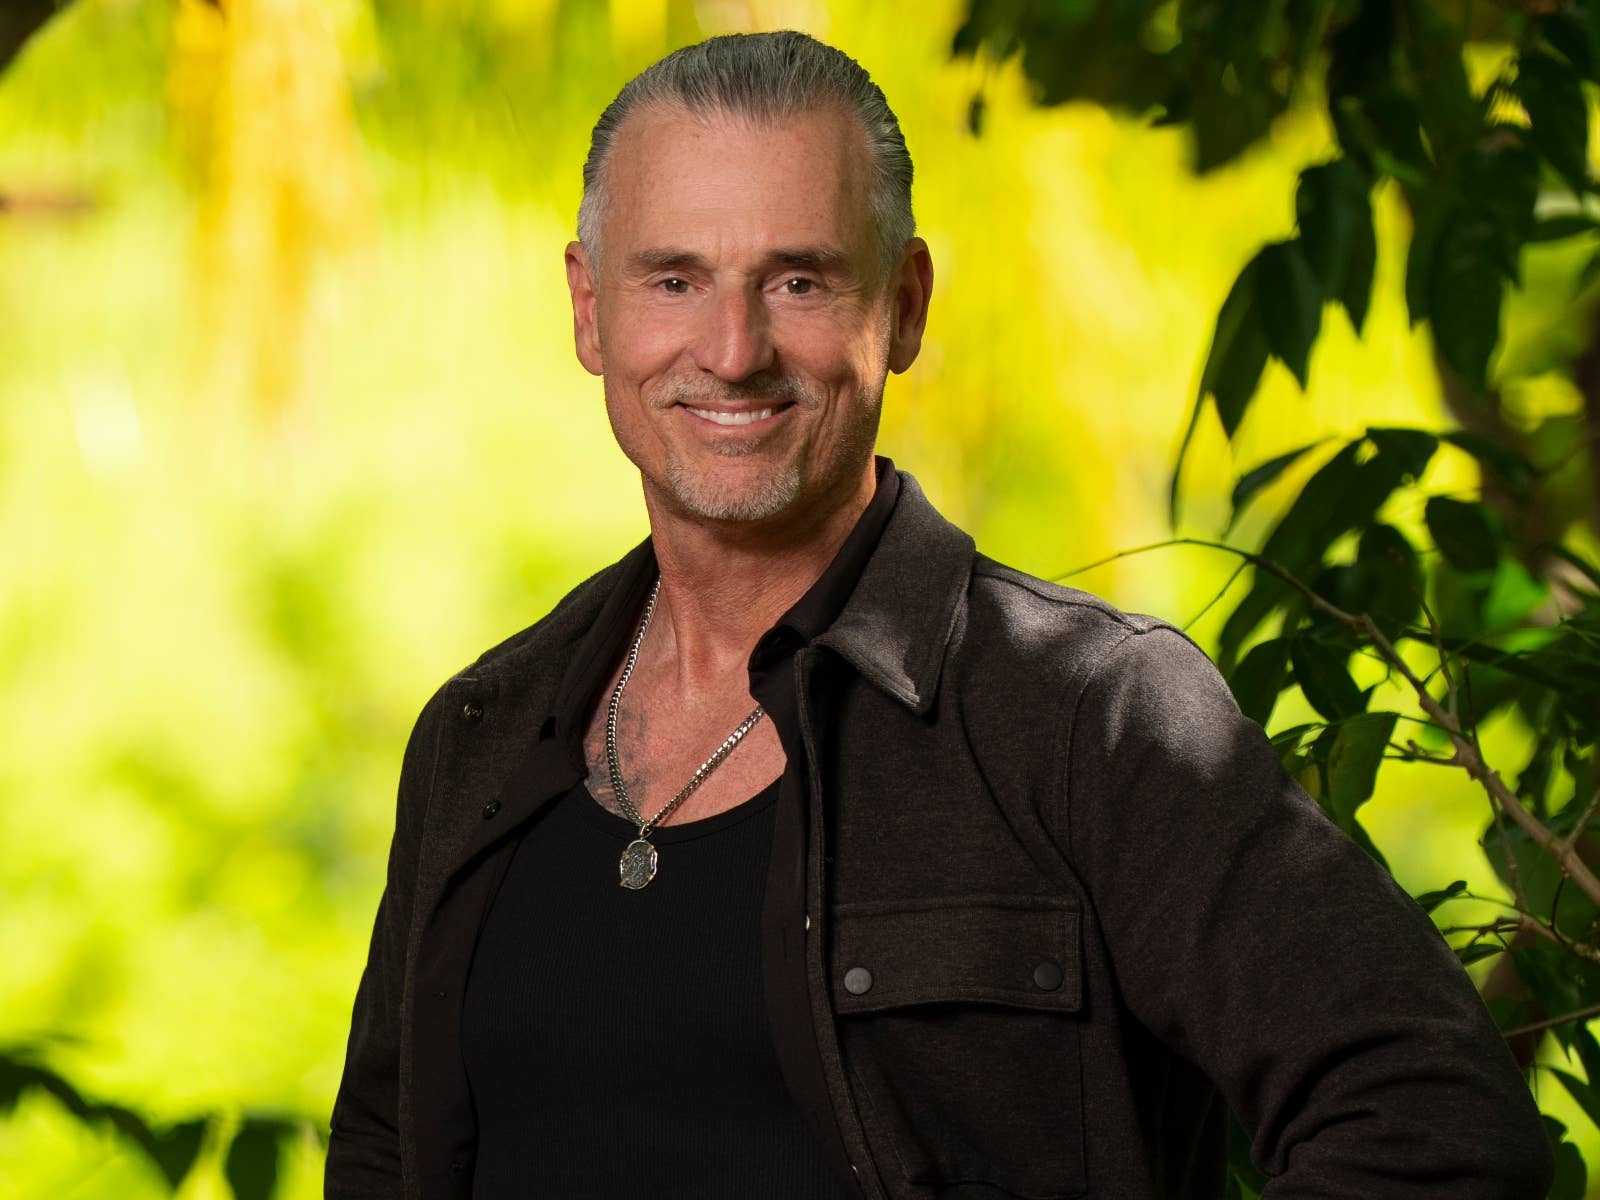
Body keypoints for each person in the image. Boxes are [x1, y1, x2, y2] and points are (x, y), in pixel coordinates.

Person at [325, 30, 1551, 1200]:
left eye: (798, 280)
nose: (734, 349)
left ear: (904, 305)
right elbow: (382, 1156)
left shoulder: (1088, 716)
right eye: (675, 279)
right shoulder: (482, 733)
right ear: (591, 309)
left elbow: (1433, 1124)